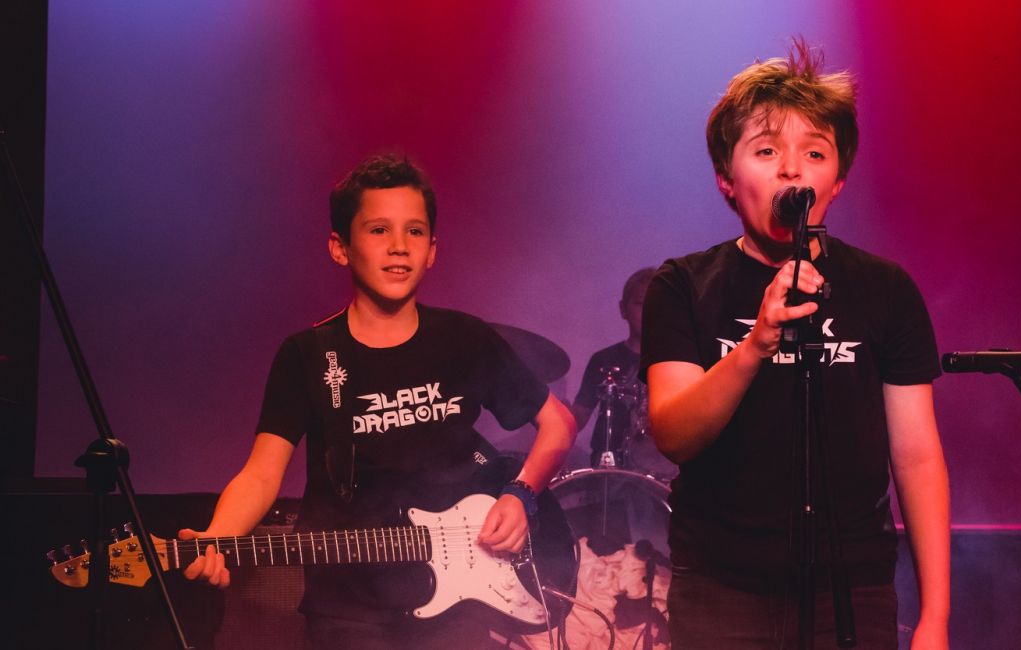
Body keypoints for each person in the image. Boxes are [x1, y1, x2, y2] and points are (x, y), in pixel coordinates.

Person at [178, 154, 577, 649]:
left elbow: (557, 423)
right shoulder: (308, 354)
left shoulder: (463, 338)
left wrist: (521, 495)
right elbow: (262, 473)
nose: (398, 247)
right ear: (339, 247)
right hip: (349, 608)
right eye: (378, 230)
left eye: (414, 232)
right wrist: (219, 536)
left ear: (432, 250)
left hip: (458, 609)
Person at [640, 40, 951, 649]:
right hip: (721, 585)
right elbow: (673, 433)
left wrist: (935, 615)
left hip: (851, 585)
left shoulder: (884, 289)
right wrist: (756, 343)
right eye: (766, 151)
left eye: (814, 152)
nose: (791, 169)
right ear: (728, 181)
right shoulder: (681, 286)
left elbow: (916, 456)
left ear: (837, 180)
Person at [569, 267, 661, 473]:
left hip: (660, 469)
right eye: (640, 304)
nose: (648, 311)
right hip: (608, 467)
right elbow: (580, 415)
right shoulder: (603, 359)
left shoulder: (676, 361)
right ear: (623, 309)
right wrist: (555, 417)